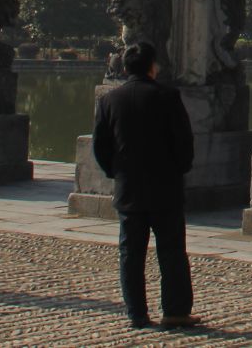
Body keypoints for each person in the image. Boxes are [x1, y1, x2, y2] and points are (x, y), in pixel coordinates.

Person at [91, 42, 195, 330]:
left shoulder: (110, 100)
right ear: (153, 66)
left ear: (125, 67)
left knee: (131, 254)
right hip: (165, 187)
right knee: (172, 252)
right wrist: (180, 169)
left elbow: (100, 145)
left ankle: (136, 313)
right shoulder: (168, 96)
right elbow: (184, 142)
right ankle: (174, 311)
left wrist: (116, 172)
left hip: (129, 190)